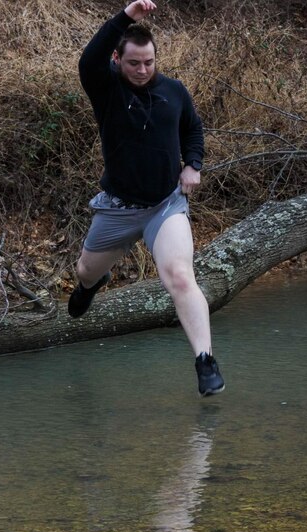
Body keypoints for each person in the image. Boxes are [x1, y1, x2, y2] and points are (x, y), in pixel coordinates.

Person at [69, 0, 224, 397]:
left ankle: (205, 361)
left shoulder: (174, 91)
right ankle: (91, 284)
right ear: (118, 59)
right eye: (134, 63)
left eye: (149, 62)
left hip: (164, 205)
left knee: (179, 276)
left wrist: (193, 164)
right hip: (118, 208)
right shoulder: (106, 88)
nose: (142, 70)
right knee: (85, 271)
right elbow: (88, 60)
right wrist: (126, 16)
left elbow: (193, 129)